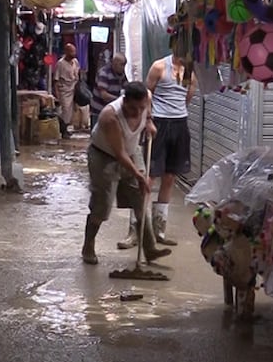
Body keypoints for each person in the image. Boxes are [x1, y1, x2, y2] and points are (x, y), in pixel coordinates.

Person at [82, 82, 173, 266]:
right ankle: (88, 246)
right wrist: (139, 176)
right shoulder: (110, 116)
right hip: (104, 156)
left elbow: (147, 113)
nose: (137, 112)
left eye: (141, 108)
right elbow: (120, 154)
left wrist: (149, 122)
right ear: (124, 101)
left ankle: (150, 249)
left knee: (140, 199)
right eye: (133, 108)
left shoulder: (146, 97)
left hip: (132, 151)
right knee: (102, 205)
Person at [143, 52, 195, 246]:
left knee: (170, 176)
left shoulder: (190, 71)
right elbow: (147, 94)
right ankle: (137, 228)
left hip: (180, 124)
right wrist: (148, 120)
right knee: (148, 177)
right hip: (159, 123)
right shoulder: (159, 66)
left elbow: (188, 96)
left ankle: (159, 230)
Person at [91, 54, 128, 130]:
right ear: (114, 63)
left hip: (111, 109)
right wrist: (119, 99)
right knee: (97, 134)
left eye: (124, 65)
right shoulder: (104, 73)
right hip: (99, 109)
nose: (123, 67)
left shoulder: (121, 74)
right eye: (121, 65)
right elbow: (104, 95)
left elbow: (127, 87)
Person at [53, 43, 80, 140]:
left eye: (74, 51)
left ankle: (66, 130)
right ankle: (63, 131)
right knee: (64, 111)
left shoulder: (75, 62)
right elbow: (56, 80)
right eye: (72, 51)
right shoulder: (60, 63)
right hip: (64, 90)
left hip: (73, 88)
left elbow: (77, 74)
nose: (74, 53)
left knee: (71, 111)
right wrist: (57, 94)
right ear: (67, 52)